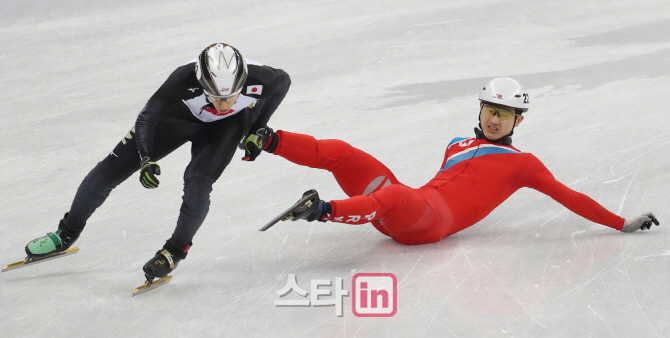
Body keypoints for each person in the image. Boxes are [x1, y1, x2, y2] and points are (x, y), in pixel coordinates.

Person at [246, 77, 658, 244]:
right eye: (489, 110)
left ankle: (320, 211)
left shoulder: (523, 164)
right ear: (479, 110)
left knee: (395, 195)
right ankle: (268, 139)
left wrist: (621, 223)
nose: (494, 119)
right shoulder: (457, 143)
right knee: (345, 154)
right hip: (404, 207)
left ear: (519, 119)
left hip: (426, 224)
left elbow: (570, 197)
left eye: (504, 114)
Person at [25, 43, 291, 279]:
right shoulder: (182, 78)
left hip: (225, 129)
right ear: (201, 82)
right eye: (216, 97)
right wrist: (145, 159)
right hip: (176, 120)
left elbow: (284, 83)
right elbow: (146, 119)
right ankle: (66, 234)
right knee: (110, 170)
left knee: (198, 184)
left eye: (230, 97)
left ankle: (175, 250)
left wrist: (257, 127)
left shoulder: (265, 78)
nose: (222, 105)